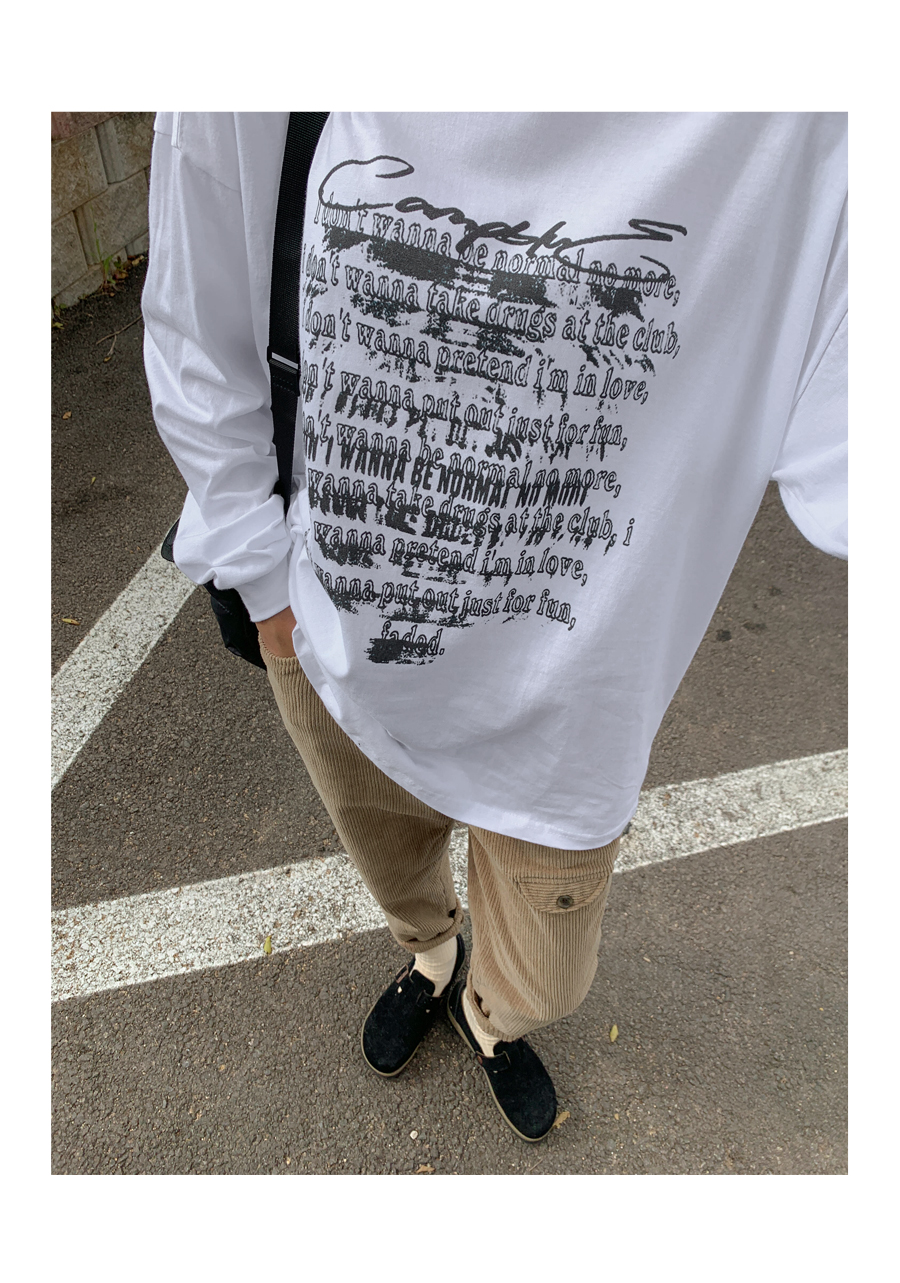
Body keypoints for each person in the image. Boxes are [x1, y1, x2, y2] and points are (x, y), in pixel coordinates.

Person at [142, 112, 847, 1142]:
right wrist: (267, 590)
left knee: (548, 977)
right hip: (335, 635)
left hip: (574, 694)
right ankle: (434, 956)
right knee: (392, 862)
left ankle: (490, 1014)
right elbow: (199, 313)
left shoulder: (812, 110)